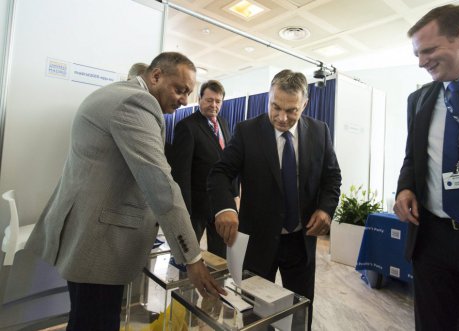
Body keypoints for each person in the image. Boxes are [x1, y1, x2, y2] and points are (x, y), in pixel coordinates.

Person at [25, 52, 225, 331]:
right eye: (180, 90)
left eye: (188, 93)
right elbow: (159, 183)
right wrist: (192, 257)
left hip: (87, 234)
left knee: (85, 320)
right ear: (155, 76)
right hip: (99, 243)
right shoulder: (136, 102)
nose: (184, 100)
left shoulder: (118, 94)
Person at [207, 69, 342, 328]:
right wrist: (225, 207)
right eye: (275, 107)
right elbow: (220, 173)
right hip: (258, 242)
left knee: (300, 314)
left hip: (301, 243)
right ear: (268, 98)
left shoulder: (319, 132)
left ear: (305, 104)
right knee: (254, 316)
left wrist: (326, 209)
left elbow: (332, 177)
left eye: (291, 110)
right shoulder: (248, 131)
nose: (282, 117)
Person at [394, 5, 459, 330]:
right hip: (433, 241)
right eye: (417, 54)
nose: (422, 62)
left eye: (429, 50)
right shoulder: (420, 100)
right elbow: (412, 157)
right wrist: (405, 187)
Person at [171, 80, 237, 258]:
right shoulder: (187, 127)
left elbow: (229, 162)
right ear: (199, 99)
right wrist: (183, 210)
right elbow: (181, 173)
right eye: (209, 100)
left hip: (220, 205)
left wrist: (234, 195)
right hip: (196, 208)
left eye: (218, 101)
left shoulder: (223, 123)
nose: (213, 105)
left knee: (220, 254)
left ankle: (217, 285)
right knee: (187, 256)